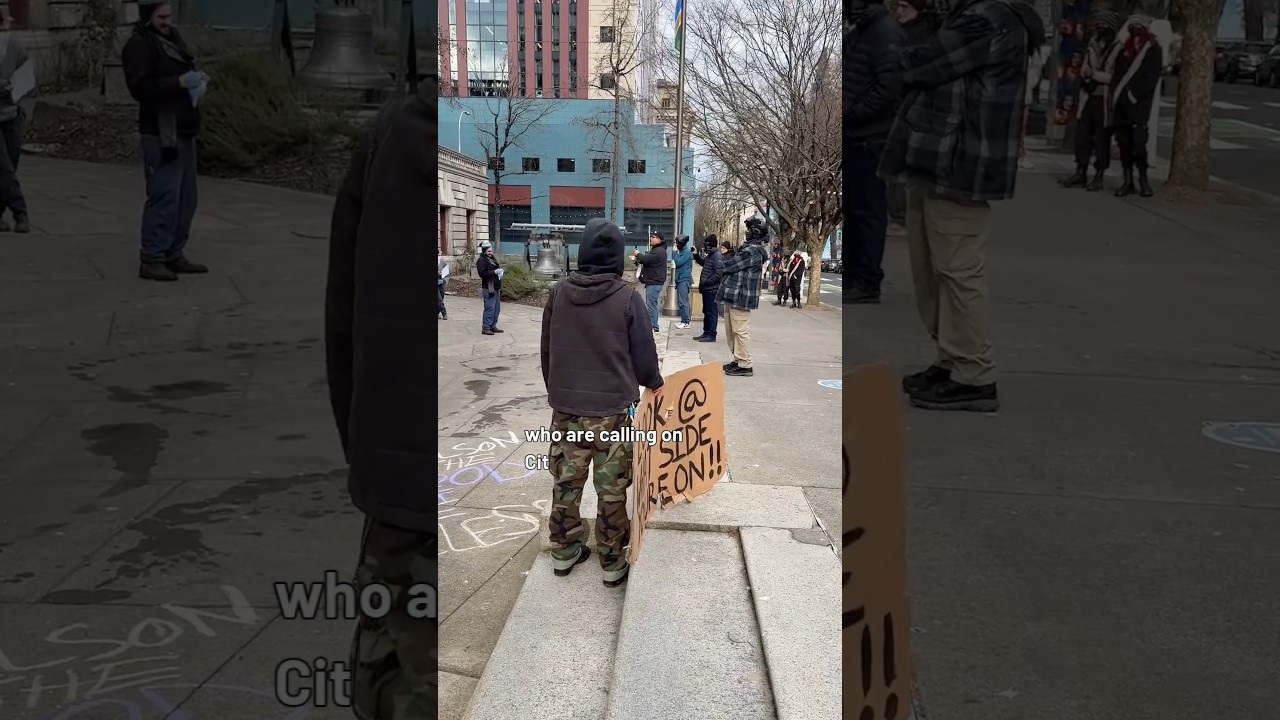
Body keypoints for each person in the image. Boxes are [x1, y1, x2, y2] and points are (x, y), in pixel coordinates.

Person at [325, 76, 435, 720]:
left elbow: (345, 320)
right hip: (410, 469)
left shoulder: (390, 138)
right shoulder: (393, 138)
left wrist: (367, 452)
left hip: (399, 472)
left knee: (390, 657)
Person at [878, 0, 1045, 412]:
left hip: (959, 165)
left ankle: (974, 373)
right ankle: (952, 359)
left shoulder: (990, 20)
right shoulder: (973, 17)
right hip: (937, 162)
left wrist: (909, 32)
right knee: (932, 272)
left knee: (956, 272)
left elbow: (918, 63)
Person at [540, 217, 664, 587]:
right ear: (618, 256)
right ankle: (611, 559)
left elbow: (547, 350)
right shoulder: (628, 298)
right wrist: (653, 383)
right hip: (613, 413)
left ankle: (564, 550)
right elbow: (644, 357)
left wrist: (558, 390)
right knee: (612, 488)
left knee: (566, 481)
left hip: (567, 408)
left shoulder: (559, 292)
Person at [121, 0, 210, 282]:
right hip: (160, 132)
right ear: (149, 16)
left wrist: (197, 82)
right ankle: (153, 257)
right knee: (164, 195)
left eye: (169, 15)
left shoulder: (173, 40)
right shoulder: (138, 46)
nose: (166, 21)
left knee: (186, 198)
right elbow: (140, 88)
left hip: (183, 129)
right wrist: (179, 83)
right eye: (161, 16)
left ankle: (173, 252)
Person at [845, 0, 904, 305]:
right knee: (856, 212)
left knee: (868, 212)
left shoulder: (883, 31)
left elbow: (890, 86)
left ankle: (867, 281)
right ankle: (856, 277)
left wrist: (853, 113)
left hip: (870, 136)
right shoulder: (863, 29)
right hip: (857, 135)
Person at [886, 0, 934, 237]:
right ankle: (900, 215)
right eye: (898, 6)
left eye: (906, 6)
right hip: (898, 107)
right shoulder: (898, 31)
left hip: (912, 109)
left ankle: (903, 217)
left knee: (904, 168)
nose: (900, 11)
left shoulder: (923, 34)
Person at [1059, 10, 1121, 191]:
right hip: (1089, 96)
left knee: (1101, 139)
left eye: (1102, 27)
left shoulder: (1117, 48)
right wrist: (1086, 74)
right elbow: (1086, 66)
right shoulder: (1092, 44)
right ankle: (1081, 170)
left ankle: (1099, 174)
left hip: (1105, 99)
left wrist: (1094, 74)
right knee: (1083, 136)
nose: (1099, 30)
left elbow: (1114, 77)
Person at [1111, 14, 1161, 199]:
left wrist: (1133, 95)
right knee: (1124, 144)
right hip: (1121, 104)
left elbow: (1151, 78)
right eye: (1132, 27)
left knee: (1139, 145)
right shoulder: (1125, 48)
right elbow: (1117, 73)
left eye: (1138, 27)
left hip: (1138, 105)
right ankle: (1128, 180)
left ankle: (1144, 180)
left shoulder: (1153, 49)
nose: (1135, 30)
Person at [717, 217, 770, 377]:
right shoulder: (748, 249)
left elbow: (729, 265)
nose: (746, 233)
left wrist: (719, 263)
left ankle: (745, 364)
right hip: (734, 295)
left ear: (755, 233)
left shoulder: (751, 251)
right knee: (731, 330)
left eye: (749, 230)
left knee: (739, 330)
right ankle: (738, 359)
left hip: (741, 297)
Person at [0, 11, 31, 234]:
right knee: (3, 167)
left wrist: (21, 108)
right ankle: (20, 211)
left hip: (12, 113)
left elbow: (27, 81)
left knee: (11, 163)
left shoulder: (14, 48)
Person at [632, 231, 668, 333]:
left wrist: (638, 254)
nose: (651, 238)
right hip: (653, 281)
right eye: (651, 236)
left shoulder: (659, 251)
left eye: (653, 237)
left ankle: (653, 325)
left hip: (654, 282)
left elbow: (646, 259)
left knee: (651, 305)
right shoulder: (657, 250)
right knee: (651, 304)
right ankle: (652, 324)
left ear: (659, 239)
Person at [692, 234, 723, 342]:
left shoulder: (717, 256)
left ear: (710, 245)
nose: (705, 247)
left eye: (706, 245)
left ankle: (711, 335)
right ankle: (706, 333)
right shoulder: (711, 256)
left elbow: (718, 274)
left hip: (712, 289)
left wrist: (706, 282)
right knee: (706, 312)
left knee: (712, 312)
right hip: (707, 289)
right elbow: (703, 263)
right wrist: (695, 255)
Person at [476, 241, 504, 335]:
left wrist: (499, 272)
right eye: (488, 251)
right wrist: (494, 272)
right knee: (490, 307)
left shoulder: (492, 258)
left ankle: (492, 326)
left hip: (496, 287)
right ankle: (486, 327)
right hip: (488, 287)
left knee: (496, 308)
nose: (490, 253)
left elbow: (495, 268)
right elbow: (482, 273)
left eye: (491, 251)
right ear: (484, 251)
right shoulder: (481, 260)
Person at [672, 236, 693, 329]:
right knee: (682, 301)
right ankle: (683, 320)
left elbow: (678, 262)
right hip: (681, 279)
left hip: (683, 280)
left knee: (683, 301)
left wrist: (674, 253)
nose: (676, 245)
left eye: (677, 243)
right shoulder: (683, 251)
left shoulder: (686, 253)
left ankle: (685, 321)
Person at [438, 252, 450, 320]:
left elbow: (446, 270)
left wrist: (442, 275)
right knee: (439, 298)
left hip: (442, 281)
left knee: (441, 297)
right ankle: (444, 313)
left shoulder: (442, 260)